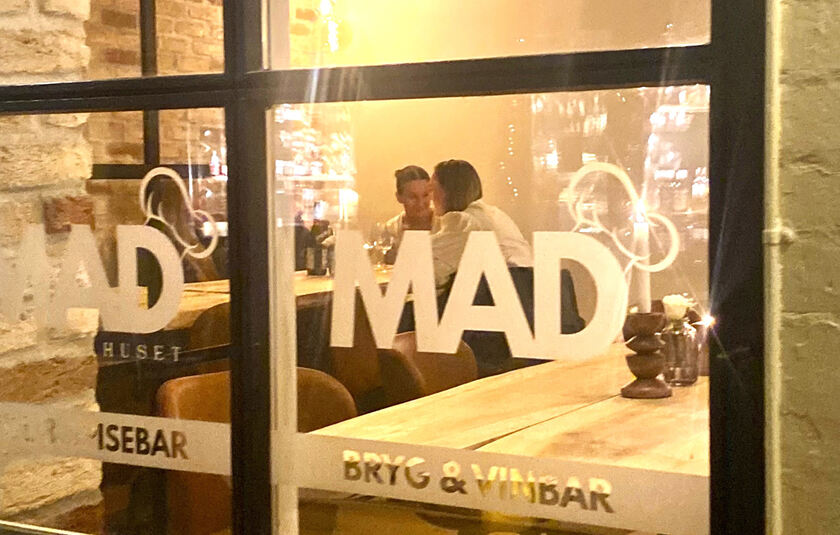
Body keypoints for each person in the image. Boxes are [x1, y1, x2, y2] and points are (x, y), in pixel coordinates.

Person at [430, 159, 532, 291]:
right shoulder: (494, 213)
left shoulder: (463, 220)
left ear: (447, 191)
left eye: (433, 189)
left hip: (500, 290)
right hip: (524, 289)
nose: (431, 197)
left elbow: (431, 263)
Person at [382, 165, 439, 263]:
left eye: (425, 195)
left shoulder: (445, 224)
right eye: (413, 197)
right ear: (399, 197)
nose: (420, 203)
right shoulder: (391, 230)